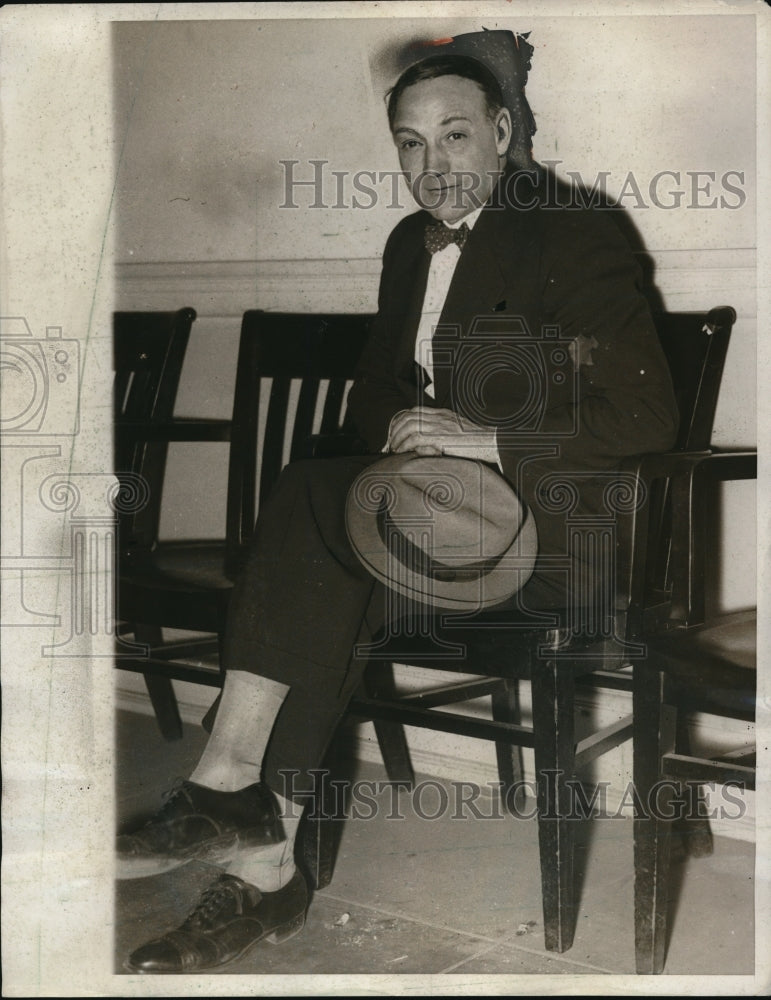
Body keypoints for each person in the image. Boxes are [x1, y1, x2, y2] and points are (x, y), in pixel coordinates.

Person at [118, 31, 678, 974]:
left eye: (455, 136)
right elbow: (373, 395)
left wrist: (476, 437)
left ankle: (232, 797)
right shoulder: (402, 248)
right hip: (429, 529)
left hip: (548, 540)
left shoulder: (572, 229)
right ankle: (262, 858)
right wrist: (404, 434)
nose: (433, 164)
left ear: (502, 133)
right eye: (411, 144)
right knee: (323, 558)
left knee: (308, 510)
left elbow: (645, 409)